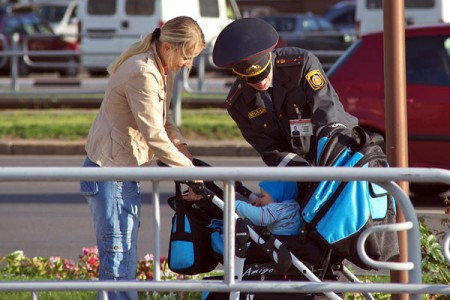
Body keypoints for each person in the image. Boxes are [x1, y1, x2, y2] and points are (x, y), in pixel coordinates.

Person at [79, 16, 205, 300]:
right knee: (117, 260)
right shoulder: (143, 72)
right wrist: (191, 172)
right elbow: (155, 136)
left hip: (123, 170)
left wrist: (187, 156)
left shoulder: (162, 70)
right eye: (188, 56)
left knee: (124, 258)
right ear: (169, 47)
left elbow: (164, 121)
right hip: (109, 172)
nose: (189, 65)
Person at [212, 17, 359, 168]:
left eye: (265, 76)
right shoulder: (238, 103)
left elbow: (326, 112)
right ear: (240, 76)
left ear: (269, 60)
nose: (261, 83)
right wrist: (302, 174)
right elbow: (270, 149)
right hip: (299, 168)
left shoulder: (301, 65)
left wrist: (326, 165)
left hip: (341, 151)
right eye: (253, 81)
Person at [235, 181, 300, 236]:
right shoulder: (291, 206)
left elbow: (259, 217)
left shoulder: (277, 209)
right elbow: (268, 208)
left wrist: (238, 204)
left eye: (263, 196)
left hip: (276, 243)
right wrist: (260, 201)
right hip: (285, 241)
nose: (261, 199)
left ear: (276, 195)